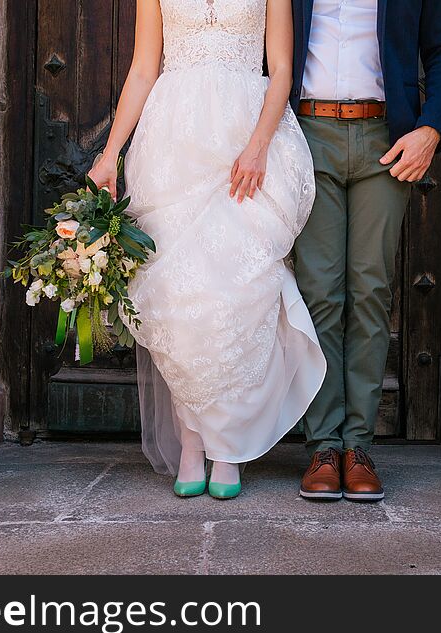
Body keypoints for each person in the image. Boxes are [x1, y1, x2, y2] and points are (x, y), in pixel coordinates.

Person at [89, 0, 326, 500]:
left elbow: (281, 68)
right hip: (172, 145)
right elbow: (141, 69)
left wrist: (260, 145)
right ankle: (192, 442)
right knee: (181, 298)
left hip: (248, 138)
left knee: (237, 293)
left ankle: (227, 446)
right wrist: (111, 153)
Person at [292, 0, 441, 501]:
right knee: (320, 291)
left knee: (370, 289)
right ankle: (324, 447)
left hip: (385, 139)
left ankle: (359, 447)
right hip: (306, 134)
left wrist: (431, 129)